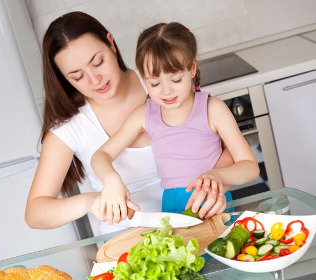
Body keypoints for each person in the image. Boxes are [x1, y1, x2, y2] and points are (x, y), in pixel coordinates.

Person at [25, 12, 233, 236]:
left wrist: (214, 183)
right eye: (77, 76)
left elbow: (226, 146)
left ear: (111, 44)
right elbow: (35, 213)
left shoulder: (159, 81)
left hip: (200, 222)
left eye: (98, 62)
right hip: (128, 243)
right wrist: (92, 201)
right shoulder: (70, 128)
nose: (95, 80)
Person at [91, 22, 260, 225]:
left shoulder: (212, 109)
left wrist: (218, 175)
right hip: (171, 207)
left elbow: (250, 167)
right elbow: (100, 156)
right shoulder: (144, 115)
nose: (166, 91)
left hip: (213, 204)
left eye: (176, 80)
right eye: (154, 83)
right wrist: (111, 180)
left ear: (192, 68)